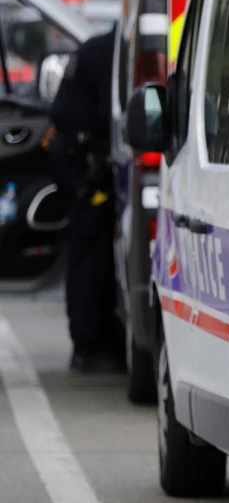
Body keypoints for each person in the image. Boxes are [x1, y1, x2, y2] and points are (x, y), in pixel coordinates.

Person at [48, 28, 123, 373]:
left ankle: (97, 337)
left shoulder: (99, 47)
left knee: (93, 251)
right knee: (91, 253)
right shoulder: (113, 52)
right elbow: (116, 118)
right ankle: (89, 344)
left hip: (77, 159)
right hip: (85, 165)